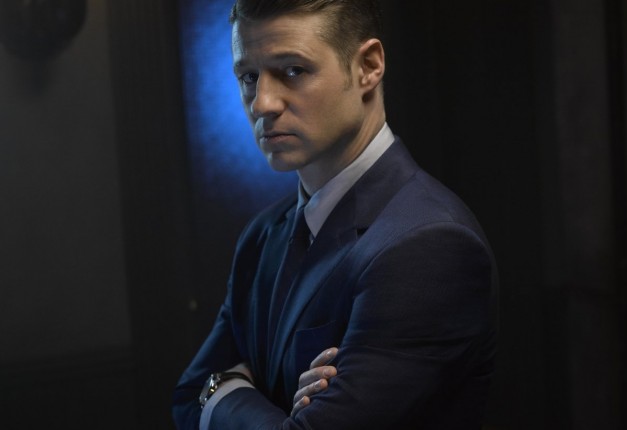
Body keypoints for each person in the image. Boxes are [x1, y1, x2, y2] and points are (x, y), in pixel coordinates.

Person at [172, 0, 498, 428]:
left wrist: (225, 390)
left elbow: (206, 392)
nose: (263, 103)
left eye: (293, 70)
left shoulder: (429, 244)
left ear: (368, 66)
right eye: (249, 76)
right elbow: (186, 398)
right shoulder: (262, 235)